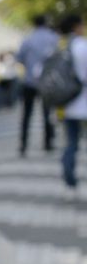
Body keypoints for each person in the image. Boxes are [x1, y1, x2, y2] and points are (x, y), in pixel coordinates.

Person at [16, 14, 60, 154]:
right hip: (47, 81)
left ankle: (23, 144)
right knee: (47, 113)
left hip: (30, 81)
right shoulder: (53, 38)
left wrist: (30, 65)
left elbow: (20, 58)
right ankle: (48, 142)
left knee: (27, 114)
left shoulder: (28, 39)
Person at [55, 14, 87, 189]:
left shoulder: (60, 47)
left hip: (65, 103)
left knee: (71, 141)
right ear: (76, 26)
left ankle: (68, 171)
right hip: (83, 100)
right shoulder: (82, 46)